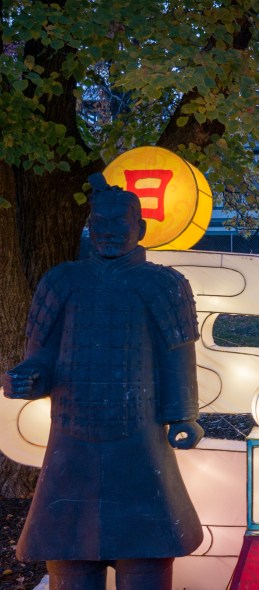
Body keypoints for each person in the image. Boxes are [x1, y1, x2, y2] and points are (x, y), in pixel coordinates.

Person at [2, 174, 204, 590]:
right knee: (70, 557)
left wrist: (184, 415)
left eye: (119, 222)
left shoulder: (163, 284)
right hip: (71, 440)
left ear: (140, 227)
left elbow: (177, 356)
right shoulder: (62, 281)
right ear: (89, 226)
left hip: (140, 438)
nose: (108, 231)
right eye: (100, 222)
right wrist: (27, 379)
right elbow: (42, 356)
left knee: (146, 555)